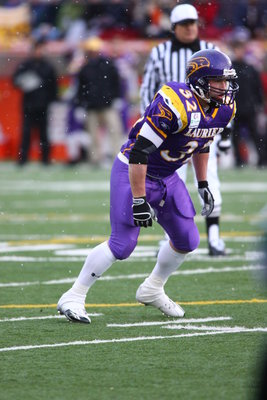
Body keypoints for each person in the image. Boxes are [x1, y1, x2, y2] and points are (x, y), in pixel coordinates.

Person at [57, 48, 238, 324]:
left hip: (166, 175)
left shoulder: (223, 108)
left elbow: (203, 142)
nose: (225, 87)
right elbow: (140, 152)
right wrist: (140, 200)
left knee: (188, 239)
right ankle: (74, 295)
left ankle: (152, 288)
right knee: (123, 244)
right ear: (200, 80)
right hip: (133, 169)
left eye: (227, 81)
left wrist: (202, 183)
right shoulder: (175, 103)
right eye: (219, 81)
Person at [140, 3, 232, 256]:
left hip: (205, 127)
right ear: (174, 27)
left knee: (209, 178)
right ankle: (172, 235)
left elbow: (225, 95)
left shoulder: (212, 50)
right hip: (171, 129)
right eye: (184, 24)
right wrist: (148, 125)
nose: (190, 28)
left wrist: (226, 132)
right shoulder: (160, 52)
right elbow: (148, 91)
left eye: (193, 22)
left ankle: (214, 236)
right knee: (170, 181)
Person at [74, 37, 124, 166]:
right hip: (91, 106)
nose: (92, 53)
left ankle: (116, 157)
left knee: (115, 131)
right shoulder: (85, 68)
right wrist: (80, 105)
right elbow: (80, 88)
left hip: (108, 104)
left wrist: (117, 98)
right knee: (94, 134)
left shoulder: (108, 65)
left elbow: (116, 83)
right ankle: (96, 159)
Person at [12, 38, 57, 165]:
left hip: (43, 105)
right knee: (26, 133)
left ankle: (45, 160)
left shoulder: (48, 66)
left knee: (44, 134)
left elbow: (53, 86)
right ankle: (23, 159)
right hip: (29, 105)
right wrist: (24, 81)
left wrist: (52, 101)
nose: (39, 52)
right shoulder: (26, 65)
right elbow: (15, 81)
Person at [230, 39, 266, 167]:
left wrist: (259, 104)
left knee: (256, 135)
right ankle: (239, 161)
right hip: (235, 108)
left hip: (250, 108)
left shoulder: (250, 68)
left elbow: (258, 88)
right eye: (237, 49)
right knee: (235, 136)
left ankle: (262, 160)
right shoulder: (230, 68)